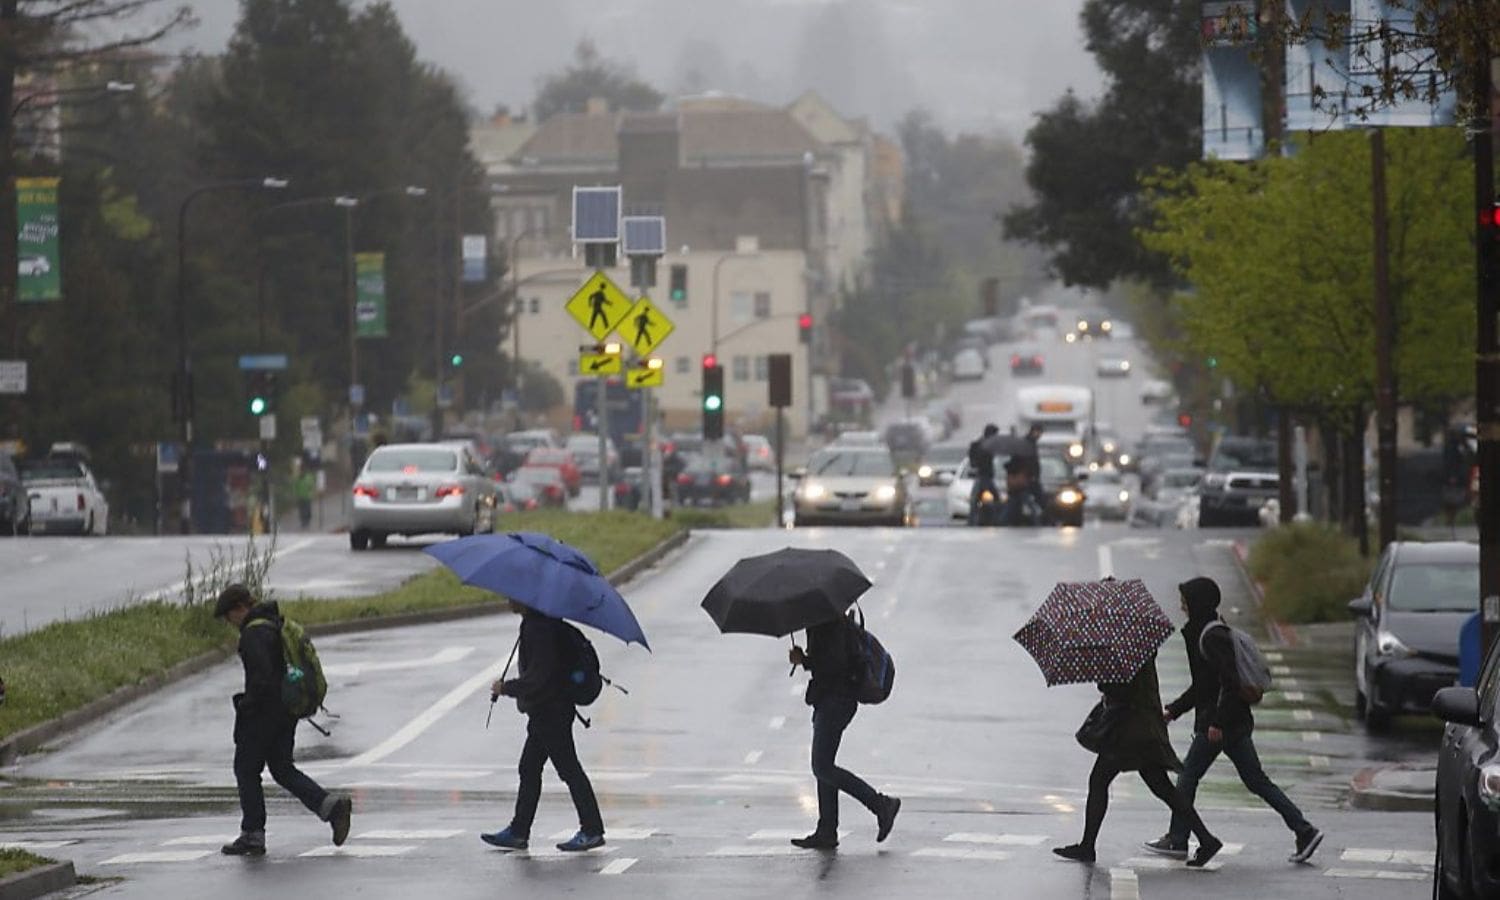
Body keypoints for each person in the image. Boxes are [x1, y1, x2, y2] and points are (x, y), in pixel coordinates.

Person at [1145, 577, 1324, 863]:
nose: (1181, 606)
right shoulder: (1206, 631)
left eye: (1185, 600)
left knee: (1187, 777)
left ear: (1197, 602)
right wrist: (1174, 711)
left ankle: (1178, 838)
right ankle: (1304, 830)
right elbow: (1204, 686)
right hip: (1233, 721)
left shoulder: (1210, 636)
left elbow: (1229, 683)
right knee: (1256, 780)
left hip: (1219, 724)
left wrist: (1216, 722)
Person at [214, 584, 351, 856]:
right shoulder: (274, 623)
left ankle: (252, 834)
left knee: (246, 768)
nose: (231, 624)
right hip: (287, 710)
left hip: (264, 713)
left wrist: (246, 705)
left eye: (230, 617)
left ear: (240, 608)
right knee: (282, 768)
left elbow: (262, 678)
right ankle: (331, 807)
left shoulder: (254, 633)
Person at [1053, 654, 1222, 867]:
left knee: (1099, 780)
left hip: (1129, 730)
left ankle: (1087, 846)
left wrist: (1104, 684)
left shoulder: (1126, 651)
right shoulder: (1138, 647)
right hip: (1142, 727)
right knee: (1163, 788)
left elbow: (1122, 689)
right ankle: (1206, 839)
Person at [481, 602, 606, 853]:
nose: (507, 599)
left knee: (568, 769)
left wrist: (506, 688)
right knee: (529, 768)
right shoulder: (539, 623)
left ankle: (592, 829)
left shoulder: (539, 628)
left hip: (551, 711)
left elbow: (539, 678)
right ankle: (519, 831)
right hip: (547, 710)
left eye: (512, 594)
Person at [787, 616, 901, 849]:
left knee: (822, 766)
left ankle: (881, 805)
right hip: (831, 699)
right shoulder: (827, 618)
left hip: (836, 700)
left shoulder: (829, 622)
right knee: (825, 765)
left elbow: (834, 665)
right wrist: (806, 659)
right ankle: (827, 830)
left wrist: (805, 661)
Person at [967, 424, 1000, 525]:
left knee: (976, 500)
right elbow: (976, 461)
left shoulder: (984, 444)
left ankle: (973, 520)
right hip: (983, 475)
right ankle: (973, 520)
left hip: (985, 475)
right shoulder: (982, 445)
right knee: (993, 498)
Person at [293, 464, 316, 530]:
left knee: (307, 509)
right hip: (300, 497)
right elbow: (295, 486)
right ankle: (303, 521)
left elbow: (311, 485)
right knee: (301, 510)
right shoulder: (298, 478)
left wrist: (312, 492)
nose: (302, 471)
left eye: (303, 470)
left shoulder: (308, 477)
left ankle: (307, 520)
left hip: (307, 496)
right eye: (301, 470)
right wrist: (295, 494)